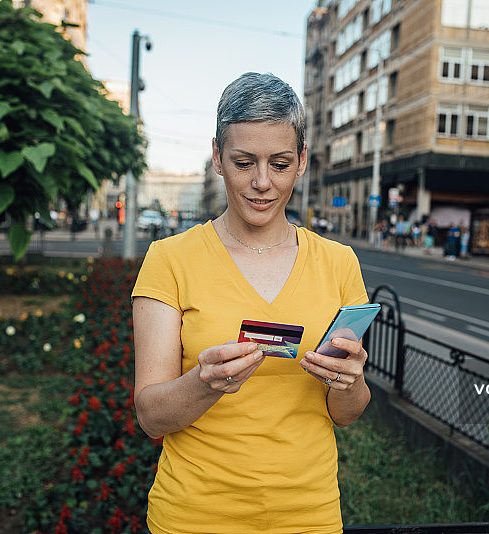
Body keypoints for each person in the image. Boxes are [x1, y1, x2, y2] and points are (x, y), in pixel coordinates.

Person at [131, 72, 371, 534]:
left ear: (302, 161)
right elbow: (151, 415)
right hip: (194, 516)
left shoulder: (339, 263)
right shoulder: (169, 260)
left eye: (279, 164)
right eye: (244, 162)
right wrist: (206, 382)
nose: (262, 183)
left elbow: (348, 413)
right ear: (217, 158)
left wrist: (349, 383)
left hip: (309, 515)